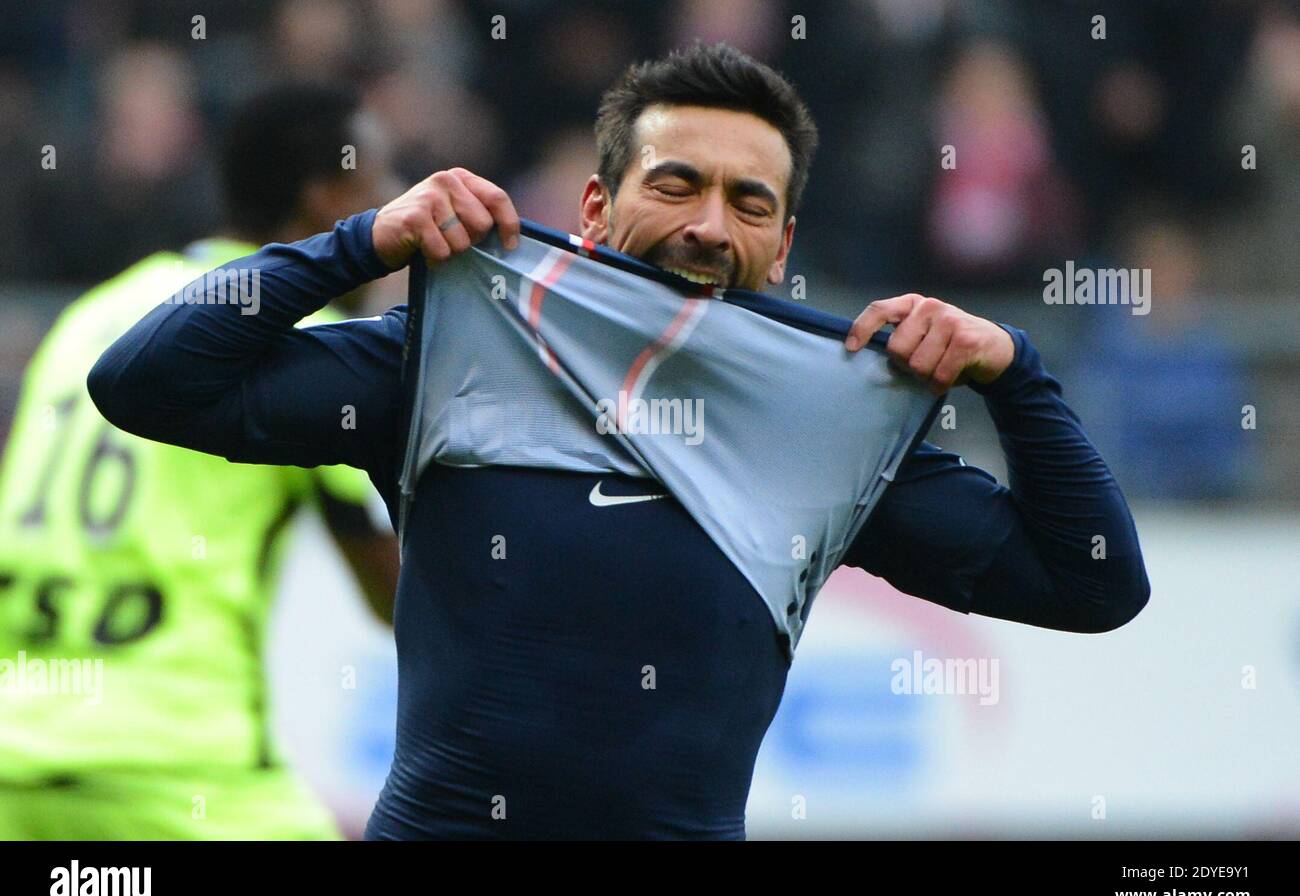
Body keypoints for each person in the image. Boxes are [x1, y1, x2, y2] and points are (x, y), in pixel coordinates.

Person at [87, 44, 1150, 840]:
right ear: (594, 207)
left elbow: (1094, 584)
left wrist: (1016, 372)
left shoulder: (830, 421)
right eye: (675, 183)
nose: (707, 226)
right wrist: (355, 242)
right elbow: (142, 383)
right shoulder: (452, 351)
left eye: (748, 203)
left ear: (781, 247)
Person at [0, 83, 401, 840]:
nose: (392, 199)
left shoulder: (101, 311)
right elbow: (397, 595)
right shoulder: (302, 335)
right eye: (378, 181)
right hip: (179, 764)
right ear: (327, 199)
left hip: (17, 759)